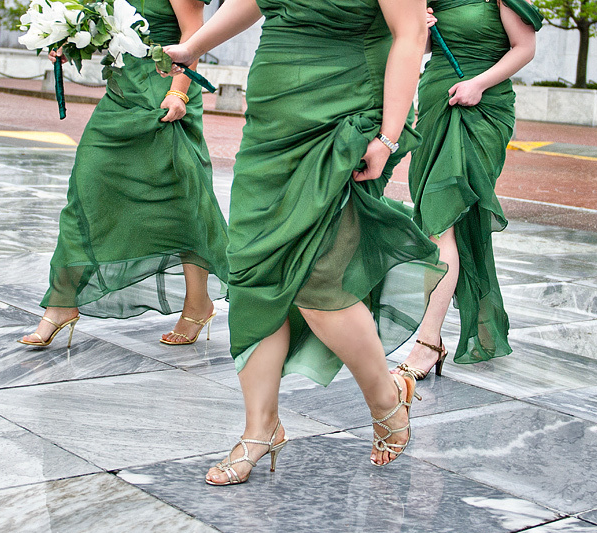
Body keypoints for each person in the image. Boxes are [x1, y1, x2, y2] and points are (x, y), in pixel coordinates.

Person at [162, 0, 445, 484]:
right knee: (254, 268)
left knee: (319, 277)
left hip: (343, 113)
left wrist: (389, 138)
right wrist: (194, 47)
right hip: (272, 121)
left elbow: (411, 34)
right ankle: (261, 428)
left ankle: (386, 398)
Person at [18, 0, 229, 350]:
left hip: (166, 93)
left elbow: (195, 32)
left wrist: (179, 92)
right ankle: (61, 303)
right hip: (122, 89)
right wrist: (70, 41)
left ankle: (197, 304)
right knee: (86, 188)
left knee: (181, 200)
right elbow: (110, 26)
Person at [394, 0, 541, 381]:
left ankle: (428, 342)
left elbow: (525, 47)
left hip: (482, 107)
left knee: (442, 219)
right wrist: (422, 26)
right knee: (433, 224)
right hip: (436, 101)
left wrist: (479, 84)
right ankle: (436, 335)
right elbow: (422, 46)